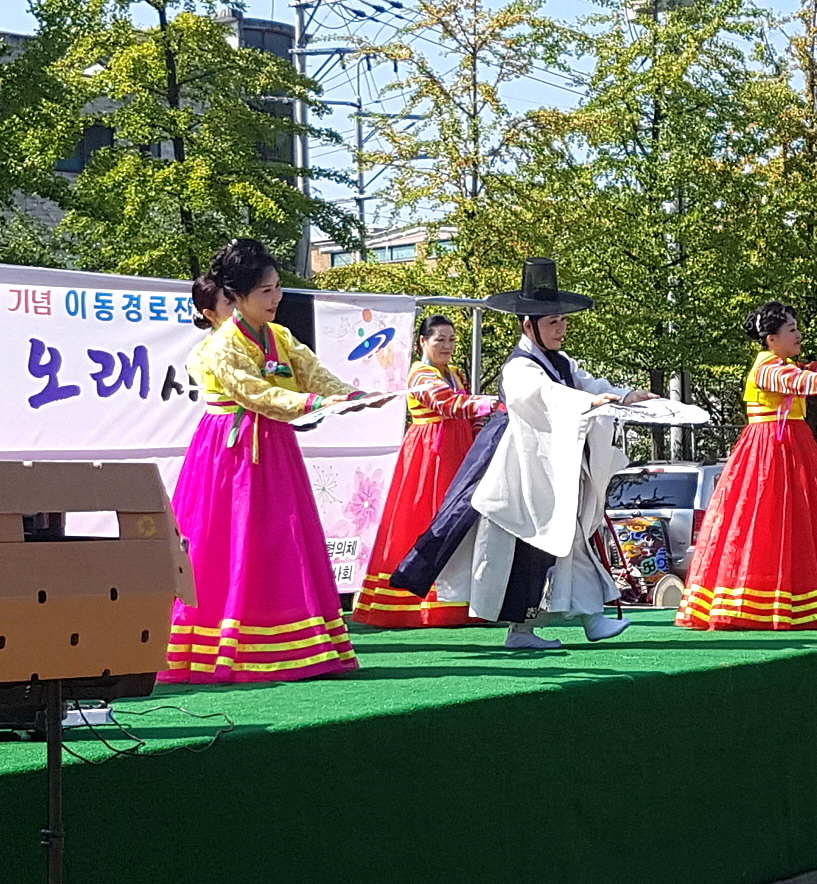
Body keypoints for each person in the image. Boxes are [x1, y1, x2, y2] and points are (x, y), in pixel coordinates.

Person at [400, 259, 650, 650]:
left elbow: (589, 384)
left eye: (562, 322)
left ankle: (592, 616)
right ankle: (521, 630)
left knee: (573, 536)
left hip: (552, 462)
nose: (561, 329)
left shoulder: (563, 363)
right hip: (516, 468)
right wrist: (587, 400)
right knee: (522, 547)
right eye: (553, 322)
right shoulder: (520, 367)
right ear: (528, 325)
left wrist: (624, 395)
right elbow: (542, 396)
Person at [162, 237, 359, 683]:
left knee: (281, 535)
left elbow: (315, 373)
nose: (277, 298)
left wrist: (350, 396)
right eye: (266, 291)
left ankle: (290, 641)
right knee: (231, 540)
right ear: (236, 298)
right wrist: (310, 404)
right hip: (229, 452)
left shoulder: (280, 336)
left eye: (276, 288)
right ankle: (225, 645)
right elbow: (255, 393)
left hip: (274, 444)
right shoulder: (221, 347)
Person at [676, 301, 817, 630]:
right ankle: (760, 607)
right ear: (771, 338)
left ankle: (809, 603)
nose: (798, 334)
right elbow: (806, 382)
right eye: (791, 329)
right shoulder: (769, 368)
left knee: (802, 524)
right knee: (769, 524)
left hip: (791, 449)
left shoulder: (785, 365)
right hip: (770, 453)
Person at [351, 316, 498, 627]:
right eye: (439, 340)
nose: (446, 346)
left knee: (463, 520)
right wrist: (486, 404)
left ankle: (463, 599)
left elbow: (466, 412)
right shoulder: (420, 374)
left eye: (451, 340)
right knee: (423, 515)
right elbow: (445, 403)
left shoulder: (456, 374)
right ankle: (416, 602)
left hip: (460, 452)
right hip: (429, 454)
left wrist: (480, 433)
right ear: (422, 343)